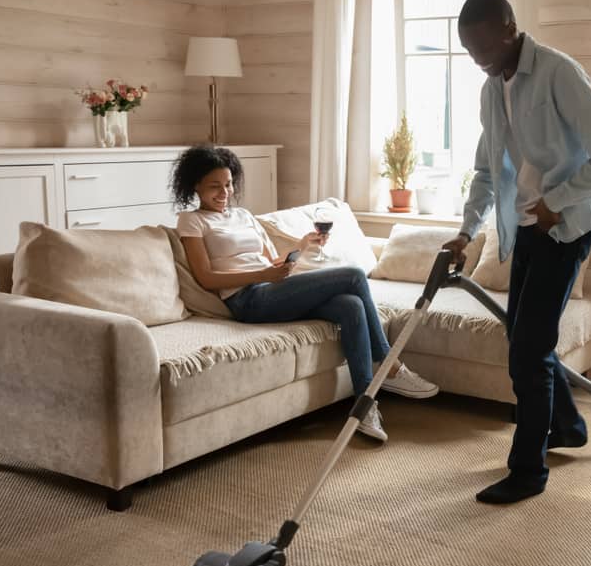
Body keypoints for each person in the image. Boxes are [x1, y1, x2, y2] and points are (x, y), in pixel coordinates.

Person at [443, 0, 591, 504]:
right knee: (525, 341)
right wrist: (465, 232)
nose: (478, 59)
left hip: (564, 226)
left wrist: (556, 200)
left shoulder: (557, 73)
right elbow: (486, 172)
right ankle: (566, 426)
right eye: (469, 51)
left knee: (528, 351)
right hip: (525, 225)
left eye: (483, 45)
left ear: (509, 28)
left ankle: (528, 472)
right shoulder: (491, 89)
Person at [171, 144, 439, 442]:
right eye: (214, 187)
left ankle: (364, 406)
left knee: (350, 306)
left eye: (229, 184)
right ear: (195, 186)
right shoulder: (191, 221)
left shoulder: (244, 216)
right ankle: (389, 365)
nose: (224, 192)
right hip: (248, 300)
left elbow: (272, 261)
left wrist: (302, 245)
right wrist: (264, 275)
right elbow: (206, 277)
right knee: (352, 276)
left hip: (272, 288)